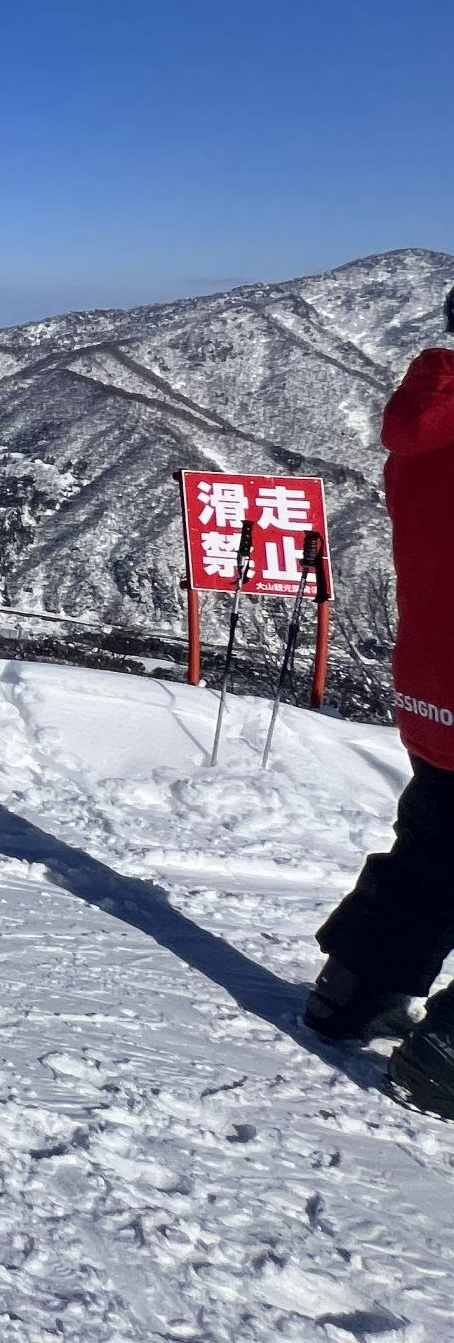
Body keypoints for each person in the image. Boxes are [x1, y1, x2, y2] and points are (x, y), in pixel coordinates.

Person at [305, 286, 454, 1113]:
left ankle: (355, 989)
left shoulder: (426, 431)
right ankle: (443, 1059)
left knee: (434, 848)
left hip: (435, 693)